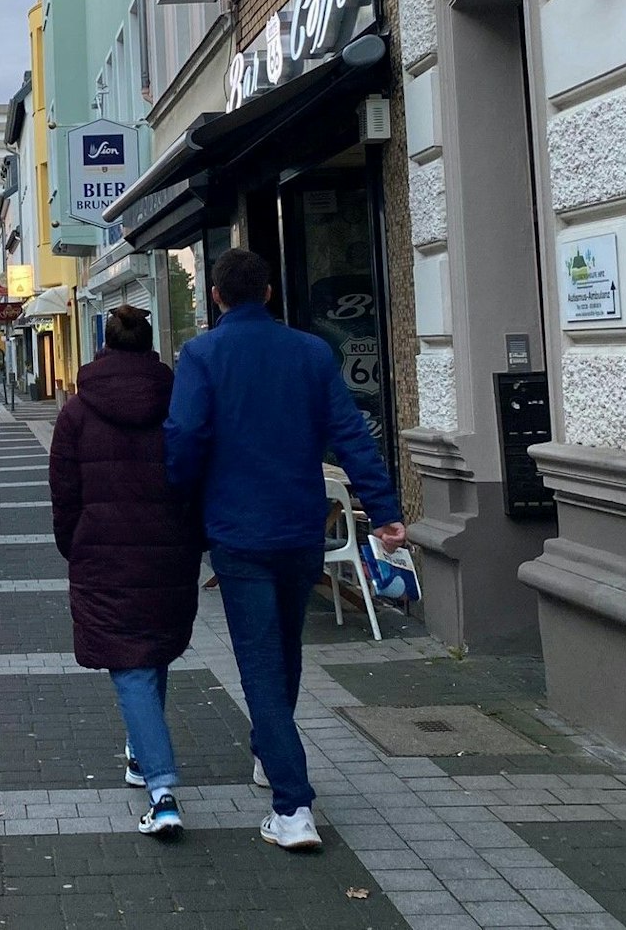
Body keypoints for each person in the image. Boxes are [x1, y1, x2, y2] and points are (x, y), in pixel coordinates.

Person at [164, 248, 406, 851]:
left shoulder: (201, 355)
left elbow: (186, 440)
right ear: (269, 292)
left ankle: (293, 805)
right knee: (284, 650)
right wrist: (384, 511)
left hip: (238, 532)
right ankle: (270, 758)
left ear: (215, 297)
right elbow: (350, 434)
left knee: (260, 660)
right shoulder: (311, 352)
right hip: (301, 530)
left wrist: (177, 502)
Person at [49, 305, 205, 839]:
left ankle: (162, 794)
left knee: (132, 665)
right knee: (152, 651)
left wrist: (74, 545)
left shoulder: (75, 413)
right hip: (169, 550)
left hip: (104, 555)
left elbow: (64, 493)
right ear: (149, 344)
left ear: (105, 345)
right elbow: (195, 472)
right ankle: (141, 757)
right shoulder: (177, 401)